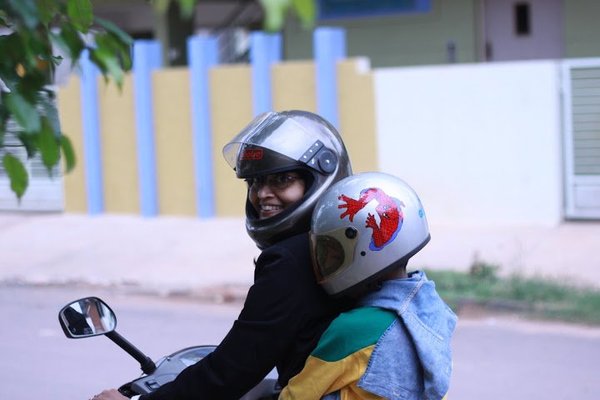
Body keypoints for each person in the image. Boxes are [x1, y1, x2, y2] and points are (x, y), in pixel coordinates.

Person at [92, 110, 354, 400]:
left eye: (282, 179)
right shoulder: (344, 244)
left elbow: (233, 369)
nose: (262, 193)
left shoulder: (291, 261)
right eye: (254, 182)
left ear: (319, 180)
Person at [279, 172, 457, 400]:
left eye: (333, 253)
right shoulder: (432, 313)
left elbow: (296, 396)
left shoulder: (353, 329)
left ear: (363, 249)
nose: (326, 262)